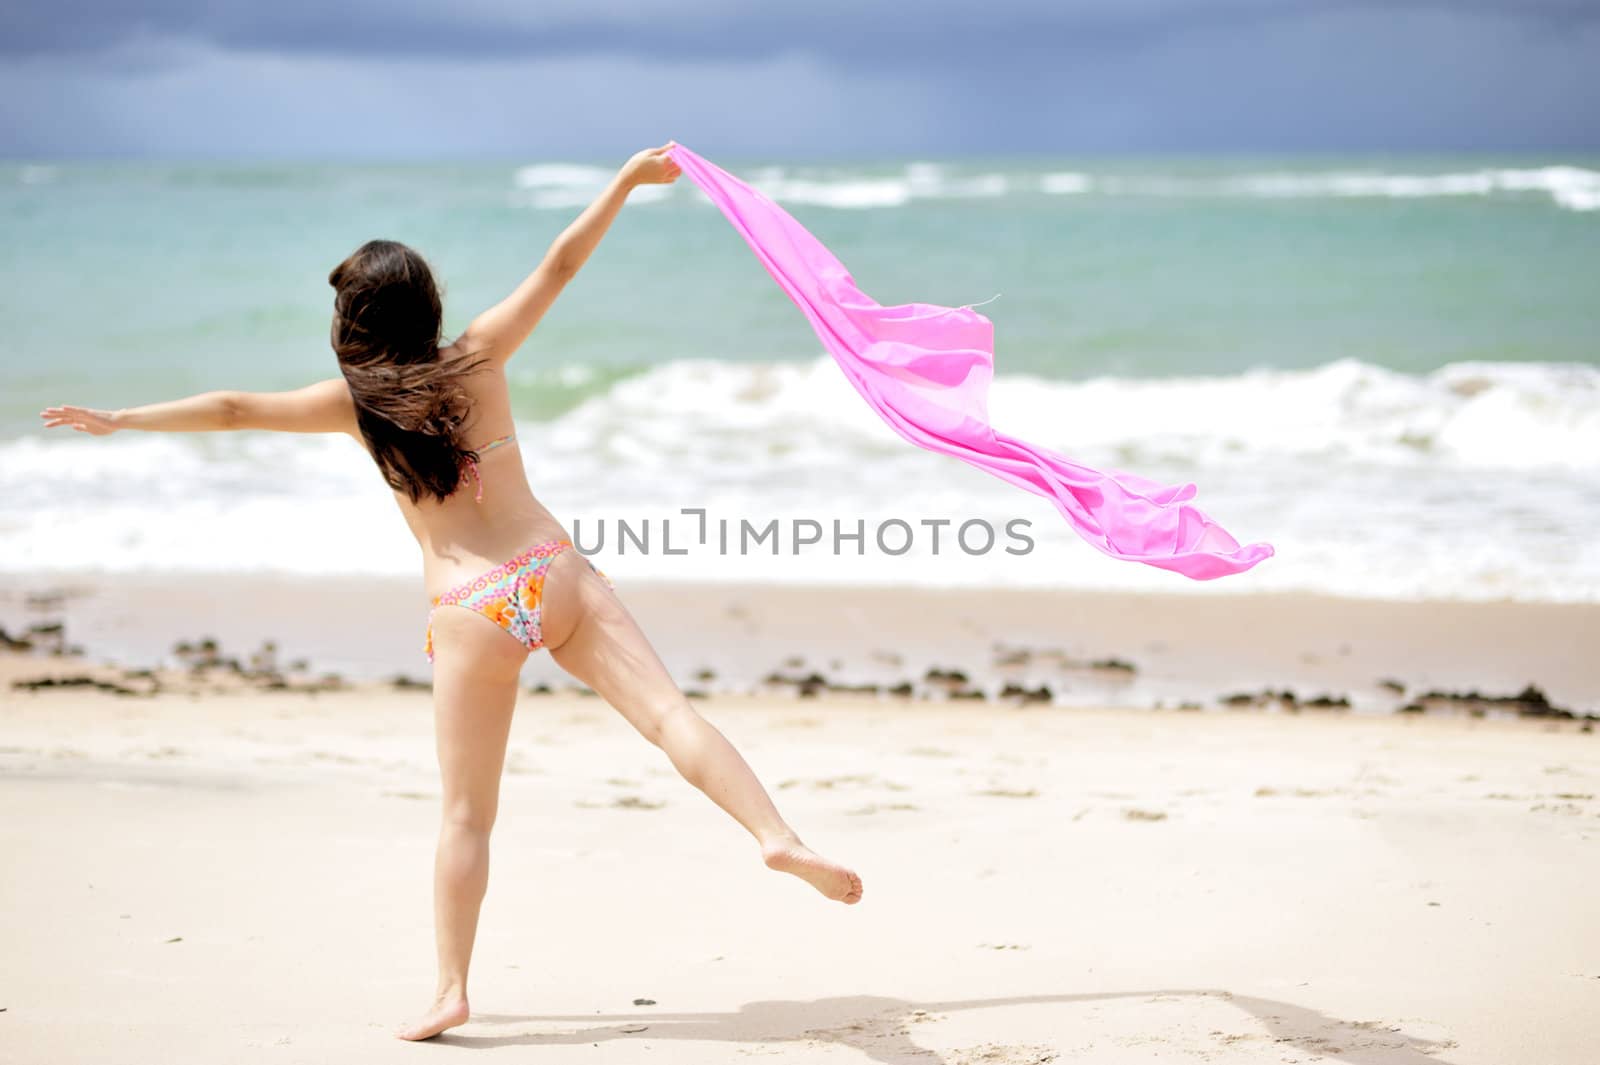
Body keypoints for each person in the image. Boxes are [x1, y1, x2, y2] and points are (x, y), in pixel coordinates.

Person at [39, 141, 862, 1042]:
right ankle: (773, 832)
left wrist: (120, 418)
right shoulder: (478, 356)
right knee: (669, 716)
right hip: (553, 574)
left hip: (470, 608)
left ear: (353, 321)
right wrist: (625, 184)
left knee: (468, 812)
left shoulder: (352, 406)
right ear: (427, 306)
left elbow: (235, 407)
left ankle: (450, 988)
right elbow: (561, 263)